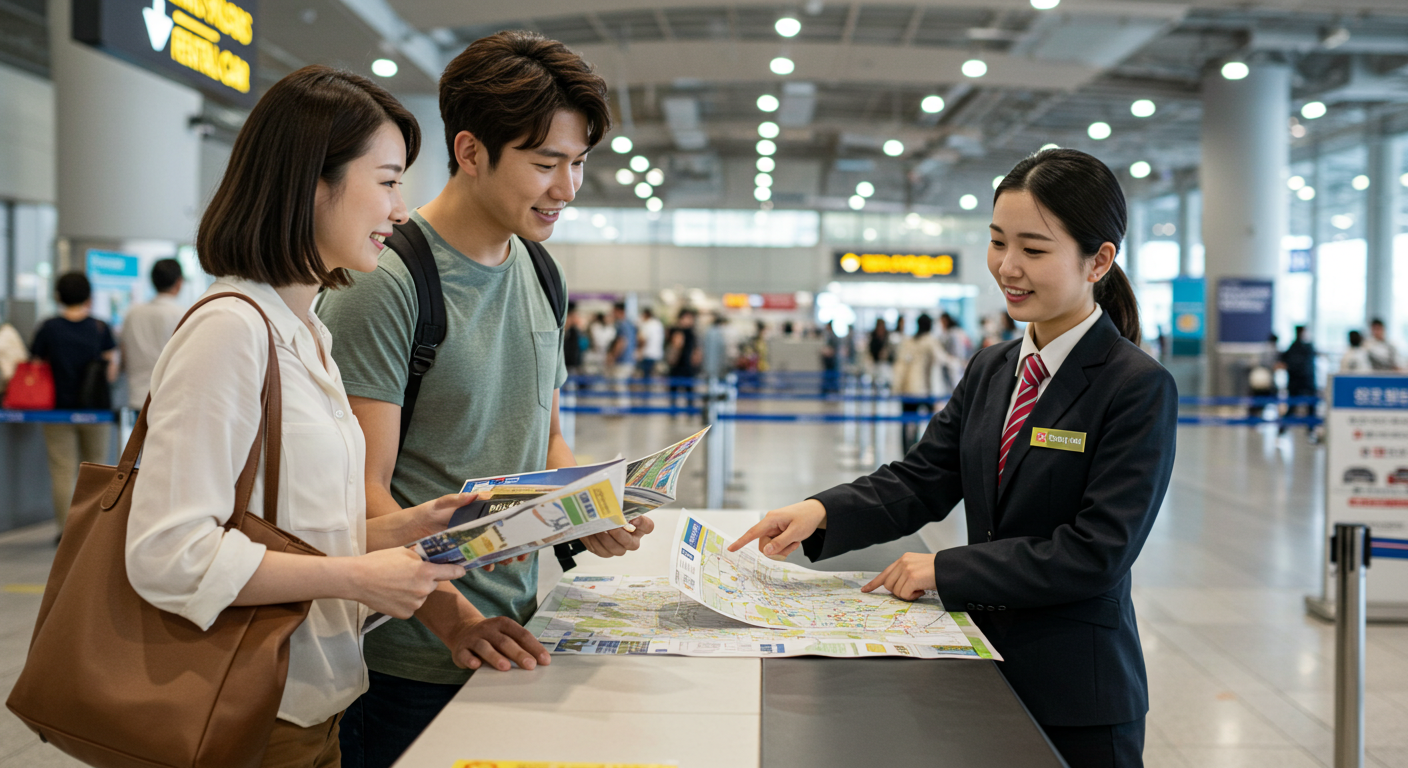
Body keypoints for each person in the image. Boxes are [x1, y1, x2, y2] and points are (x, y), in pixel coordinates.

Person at [731, 148, 1175, 768]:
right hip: (974, 666)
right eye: (998, 242)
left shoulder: (1134, 386)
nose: (1008, 267)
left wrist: (948, 569)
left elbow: (1097, 551)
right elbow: (924, 478)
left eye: (1034, 250)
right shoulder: (994, 367)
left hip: (1077, 695)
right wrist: (820, 511)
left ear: (1098, 259)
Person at [314, 32, 654, 768]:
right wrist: (453, 618)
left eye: (579, 163)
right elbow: (361, 495)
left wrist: (589, 505)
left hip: (517, 626)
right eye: (545, 164)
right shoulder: (388, 282)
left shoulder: (542, 270)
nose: (567, 188)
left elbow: (545, 441)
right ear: (470, 152)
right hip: (405, 654)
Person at [125, 65, 473, 768]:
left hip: (314, 706)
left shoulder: (306, 329)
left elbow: (286, 527)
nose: (400, 209)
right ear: (313, 182)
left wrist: (408, 526)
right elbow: (167, 553)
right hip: (249, 715)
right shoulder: (232, 330)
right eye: (386, 180)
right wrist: (355, 577)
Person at [30, 271, 118, 536]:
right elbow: (111, 371)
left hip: (57, 410)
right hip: (96, 410)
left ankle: (65, 531)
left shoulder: (49, 327)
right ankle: (92, 530)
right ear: (89, 297)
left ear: (57, 296)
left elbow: (35, 366)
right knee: (97, 469)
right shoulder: (100, 327)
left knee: (62, 471)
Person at [122, 258, 186, 410]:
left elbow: (124, 354)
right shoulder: (183, 315)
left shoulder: (133, 313)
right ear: (179, 282)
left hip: (137, 397)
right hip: (171, 398)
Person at [891, 313, 940, 453]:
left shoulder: (908, 341)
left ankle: (907, 453)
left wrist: (897, 387)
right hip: (923, 389)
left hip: (907, 388)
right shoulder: (930, 340)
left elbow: (900, 365)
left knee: (907, 423)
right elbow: (941, 359)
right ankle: (922, 452)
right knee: (929, 423)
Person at [1279, 325, 1317, 433]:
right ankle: (1311, 430)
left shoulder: (1292, 347)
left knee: (1292, 407)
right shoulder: (1308, 347)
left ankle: (1282, 429)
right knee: (1310, 407)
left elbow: (1283, 361)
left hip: (1295, 382)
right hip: (1306, 382)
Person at [666, 308, 701, 413]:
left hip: (687, 365)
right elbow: (673, 346)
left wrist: (696, 359)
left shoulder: (692, 333)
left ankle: (690, 410)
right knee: (674, 388)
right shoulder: (675, 330)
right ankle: (673, 410)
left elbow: (696, 349)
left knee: (689, 389)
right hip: (676, 365)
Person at [637, 307, 665, 380]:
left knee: (646, 378)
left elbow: (643, 340)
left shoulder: (647, 324)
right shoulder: (658, 324)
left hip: (647, 355)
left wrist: (639, 352)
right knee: (653, 377)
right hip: (657, 354)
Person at [562, 302, 586, 377]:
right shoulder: (559, 331)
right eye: (575, 314)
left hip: (572, 368)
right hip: (562, 368)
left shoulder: (574, 332)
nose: (577, 317)